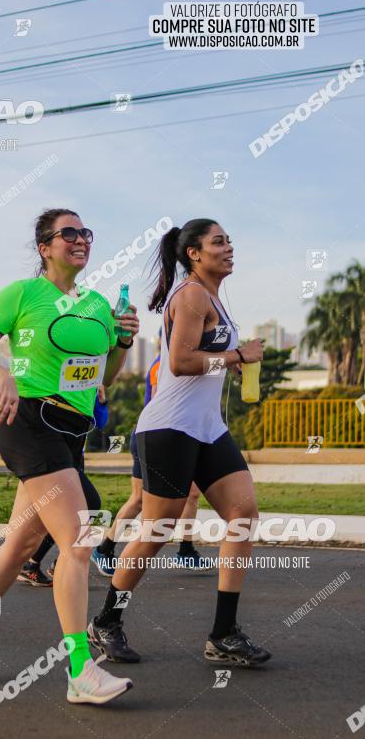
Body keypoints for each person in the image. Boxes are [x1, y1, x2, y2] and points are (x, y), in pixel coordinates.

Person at [0, 208, 140, 704]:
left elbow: (104, 377)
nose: (80, 239)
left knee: (20, 546)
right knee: (80, 537)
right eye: (68, 233)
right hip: (27, 421)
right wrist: (1, 373)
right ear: (45, 247)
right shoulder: (22, 294)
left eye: (86, 232)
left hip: (71, 431)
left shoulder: (94, 304)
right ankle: (79, 670)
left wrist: (124, 340)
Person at [89, 219, 271, 667]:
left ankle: (223, 634)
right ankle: (106, 622)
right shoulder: (190, 294)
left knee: (243, 514)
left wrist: (226, 363)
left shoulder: (211, 297)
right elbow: (183, 361)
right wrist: (236, 356)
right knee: (158, 532)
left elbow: (197, 360)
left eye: (229, 239)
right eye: (218, 242)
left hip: (208, 427)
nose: (229, 247)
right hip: (170, 428)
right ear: (194, 253)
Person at [91, 333, 206, 578]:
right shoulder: (161, 366)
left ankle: (185, 550)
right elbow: (160, 405)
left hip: (174, 435)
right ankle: (104, 549)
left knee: (191, 493)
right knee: (139, 500)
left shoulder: (180, 363)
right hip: (155, 436)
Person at [16, 386, 108, 587]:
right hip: (54, 457)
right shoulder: (56, 384)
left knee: (50, 516)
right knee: (91, 503)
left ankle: (34, 565)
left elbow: (100, 422)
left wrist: (101, 401)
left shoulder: (87, 387)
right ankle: (42, 564)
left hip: (74, 458)